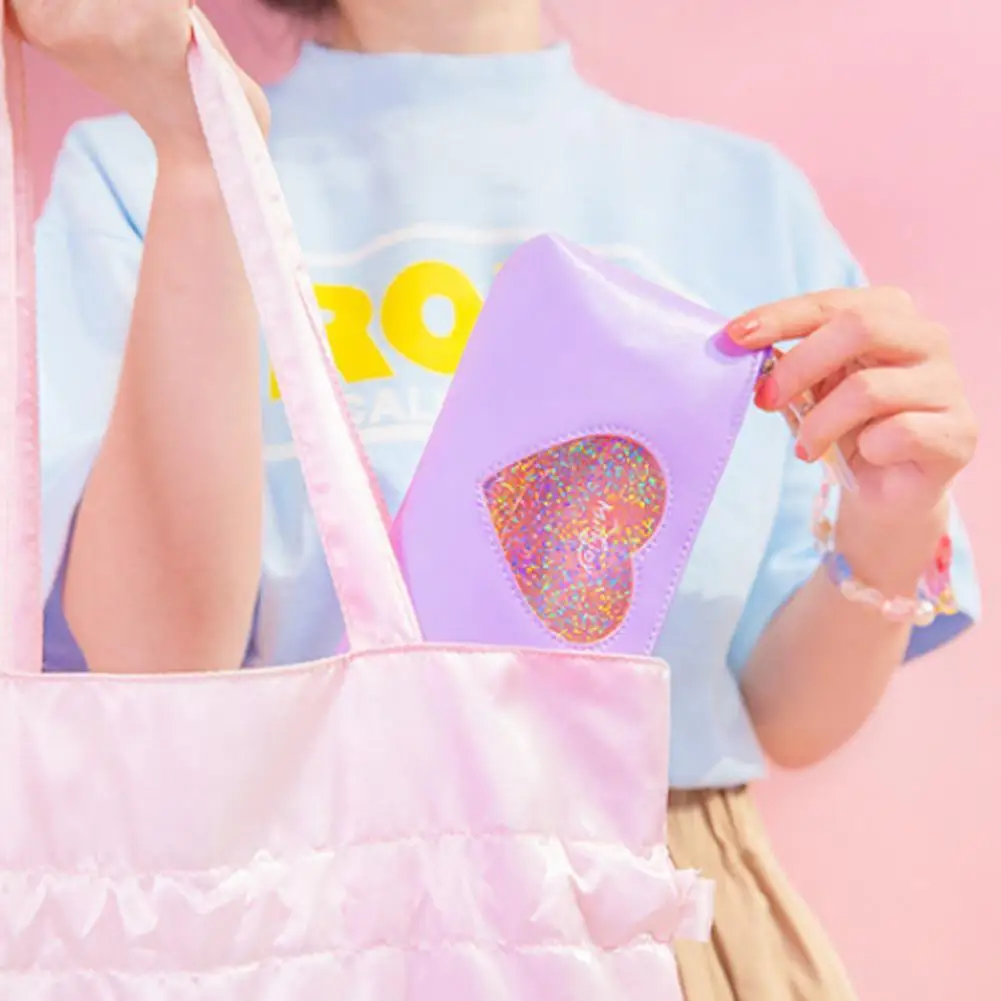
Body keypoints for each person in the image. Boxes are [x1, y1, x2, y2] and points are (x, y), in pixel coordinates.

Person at [18, 0, 980, 997]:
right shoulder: (143, 163)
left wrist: (892, 515)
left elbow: (786, 714)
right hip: (281, 918)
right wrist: (196, 153)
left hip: (651, 913)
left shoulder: (744, 199)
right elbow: (154, 667)